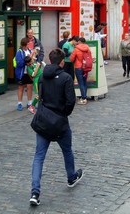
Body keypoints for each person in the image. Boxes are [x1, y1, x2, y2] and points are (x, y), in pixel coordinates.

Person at [30, 48, 83, 207]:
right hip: (59, 121)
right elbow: (70, 101)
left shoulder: (42, 77)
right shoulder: (66, 78)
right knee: (67, 150)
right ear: (61, 61)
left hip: (44, 120)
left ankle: (35, 192)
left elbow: (40, 97)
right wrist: (63, 113)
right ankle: (71, 176)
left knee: (39, 156)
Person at [70, 37, 91, 104]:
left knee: (81, 83)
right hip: (86, 67)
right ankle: (85, 96)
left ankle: (84, 98)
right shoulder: (87, 48)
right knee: (84, 82)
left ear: (79, 41)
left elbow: (71, 59)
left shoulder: (76, 49)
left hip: (78, 67)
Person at [14, 37, 34, 111]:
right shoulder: (19, 52)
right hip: (22, 73)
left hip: (29, 73)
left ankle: (29, 103)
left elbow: (32, 60)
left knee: (30, 87)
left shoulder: (30, 51)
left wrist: (32, 60)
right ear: (25, 45)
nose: (29, 45)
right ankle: (19, 103)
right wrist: (28, 60)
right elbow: (19, 63)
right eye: (28, 43)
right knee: (21, 87)